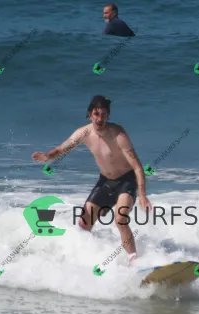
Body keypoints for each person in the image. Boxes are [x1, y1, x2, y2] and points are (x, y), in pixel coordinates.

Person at [32, 95, 151, 263]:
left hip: (126, 181)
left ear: (108, 116)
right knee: (84, 223)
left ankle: (134, 260)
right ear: (89, 115)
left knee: (120, 219)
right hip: (105, 182)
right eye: (96, 114)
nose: (99, 119)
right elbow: (61, 149)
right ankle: (87, 259)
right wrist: (47, 157)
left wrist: (143, 195)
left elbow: (138, 167)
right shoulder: (84, 133)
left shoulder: (118, 134)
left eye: (103, 114)